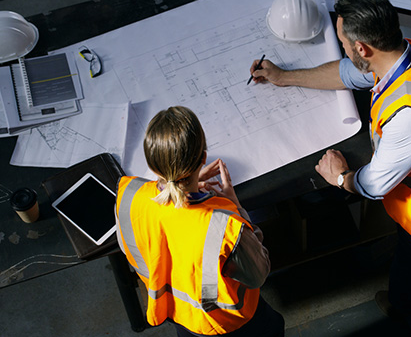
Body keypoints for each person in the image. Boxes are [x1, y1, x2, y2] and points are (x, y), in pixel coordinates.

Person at [250, 0, 411, 336]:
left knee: (410, 293)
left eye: (343, 43)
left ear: (363, 47)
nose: (343, 50)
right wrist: (284, 76)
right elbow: (348, 73)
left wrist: (340, 178)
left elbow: (374, 185)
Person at [115, 106, 285, 337]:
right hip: (229, 326)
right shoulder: (225, 228)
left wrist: (185, 186)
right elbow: (258, 273)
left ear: (153, 164)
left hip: (180, 319)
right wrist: (236, 206)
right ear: (203, 158)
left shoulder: (129, 195)